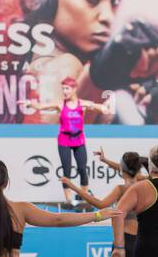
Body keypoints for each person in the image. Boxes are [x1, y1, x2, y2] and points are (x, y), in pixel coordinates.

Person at [16, 0, 158, 125]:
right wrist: (95, 80)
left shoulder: (33, 66)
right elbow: (52, 143)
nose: (107, 16)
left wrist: (157, 113)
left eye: (114, 1)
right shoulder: (66, 66)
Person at [18, 77, 111, 205]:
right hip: (64, 141)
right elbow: (40, 106)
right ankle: (69, 201)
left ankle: (83, 197)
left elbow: (97, 107)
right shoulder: (60, 104)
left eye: (67, 89)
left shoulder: (82, 104)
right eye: (63, 89)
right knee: (66, 171)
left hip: (79, 140)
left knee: (82, 169)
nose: (65, 91)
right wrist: (30, 103)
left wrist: (104, 108)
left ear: (74, 89)